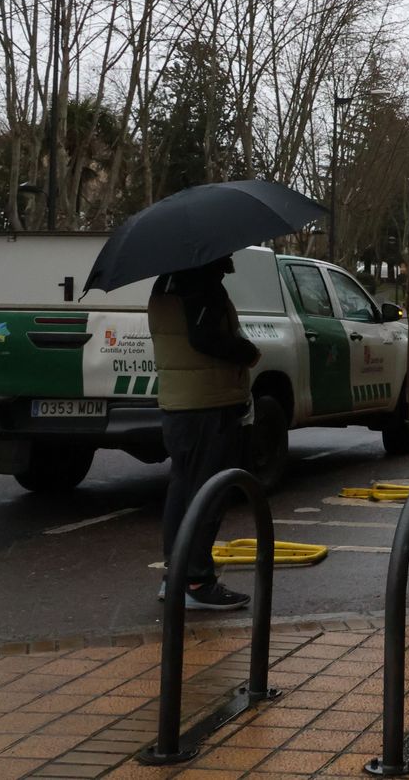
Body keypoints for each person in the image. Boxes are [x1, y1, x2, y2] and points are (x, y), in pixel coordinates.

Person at [148, 256, 260, 611]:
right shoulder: (201, 284)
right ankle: (197, 579)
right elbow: (206, 338)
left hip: (179, 404)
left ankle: (177, 574)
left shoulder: (166, 281)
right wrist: (247, 351)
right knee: (208, 493)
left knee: (182, 489)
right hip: (208, 403)